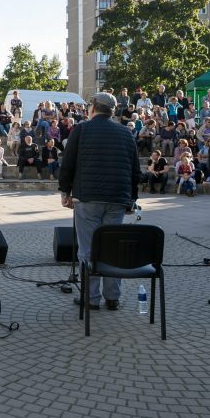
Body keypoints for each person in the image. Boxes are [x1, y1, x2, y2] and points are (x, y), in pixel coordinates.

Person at [58, 92, 141, 312]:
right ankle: (112, 297)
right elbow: (135, 170)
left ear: (93, 108)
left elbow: (67, 164)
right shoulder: (126, 133)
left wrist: (65, 192)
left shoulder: (82, 130)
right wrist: (132, 198)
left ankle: (91, 299)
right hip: (117, 199)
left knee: (87, 249)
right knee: (112, 246)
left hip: (88, 198)